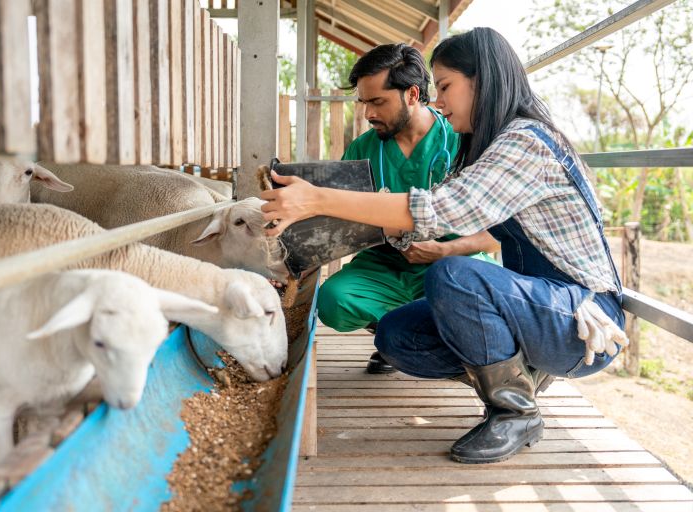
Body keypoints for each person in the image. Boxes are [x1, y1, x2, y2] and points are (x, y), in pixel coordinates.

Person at [261, 27, 628, 464]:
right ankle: (519, 373)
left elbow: (443, 211)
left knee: (453, 275)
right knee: (398, 336)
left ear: (484, 81)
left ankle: (515, 411)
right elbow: (424, 220)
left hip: (581, 319)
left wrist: (317, 198)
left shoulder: (526, 142)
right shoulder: (487, 146)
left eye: (448, 87)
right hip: (534, 306)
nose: (440, 101)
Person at [315, 43, 499, 374]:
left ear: (412, 94)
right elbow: (338, 223)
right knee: (332, 300)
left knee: (467, 288)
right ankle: (398, 333)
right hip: (384, 263)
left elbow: (499, 236)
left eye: (378, 102)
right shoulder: (362, 149)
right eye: (364, 103)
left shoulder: (461, 141)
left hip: (454, 261)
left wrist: (445, 251)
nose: (368, 114)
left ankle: (425, 339)